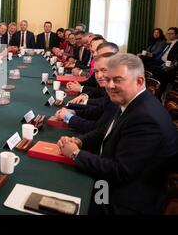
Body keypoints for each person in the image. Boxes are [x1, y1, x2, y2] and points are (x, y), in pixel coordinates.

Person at [57, 53, 178, 214]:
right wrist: (80, 141)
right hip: (116, 182)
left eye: (118, 80)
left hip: (123, 200)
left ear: (139, 81)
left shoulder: (146, 118)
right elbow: (106, 130)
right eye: (108, 79)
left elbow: (120, 171)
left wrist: (76, 154)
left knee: (62, 193)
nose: (110, 85)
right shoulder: (132, 100)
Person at [54, 53, 118, 134]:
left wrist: (69, 117)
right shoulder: (110, 91)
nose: (99, 75)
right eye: (96, 71)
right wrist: (71, 111)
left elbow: (97, 129)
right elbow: (97, 111)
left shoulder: (118, 96)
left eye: (104, 70)